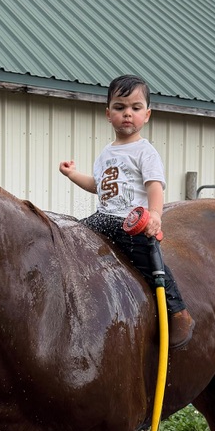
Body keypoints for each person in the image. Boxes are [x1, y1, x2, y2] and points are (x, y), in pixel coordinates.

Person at [59, 74, 195, 348]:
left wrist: (155, 215)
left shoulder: (145, 152)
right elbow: (98, 186)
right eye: (120, 108)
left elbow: (154, 186)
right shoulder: (106, 153)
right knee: (71, 236)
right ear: (108, 114)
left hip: (130, 222)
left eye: (135, 108)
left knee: (151, 263)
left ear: (147, 114)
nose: (127, 114)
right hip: (103, 218)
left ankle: (178, 312)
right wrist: (73, 174)